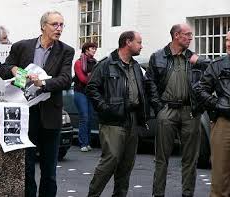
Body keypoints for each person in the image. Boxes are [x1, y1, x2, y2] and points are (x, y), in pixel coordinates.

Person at [0, 10, 74, 197]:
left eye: (61, 25)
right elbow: (3, 70)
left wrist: (43, 83)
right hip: (25, 115)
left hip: (51, 115)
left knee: (49, 171)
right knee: (27, 167)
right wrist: (15, 69)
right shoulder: (22, 47)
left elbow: (65, 80)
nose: (59, 29)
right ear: (43, 26)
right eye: (54, 24)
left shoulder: (66, 51)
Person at [145, 23, 210, 197]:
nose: (191, 38)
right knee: (161, 159)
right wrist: (158, 108)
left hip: (190, 111)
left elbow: (212, 69)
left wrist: (200, 61)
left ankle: (187, 194)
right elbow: (149, 83)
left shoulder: (194, 58)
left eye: (191, 35)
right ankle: (158, 194)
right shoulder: (157, 57)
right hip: (167, 110)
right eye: (187, 34)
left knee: (190, 159)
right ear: (176, 35)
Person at [86, 31, 146, 197]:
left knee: (126, 165)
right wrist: (106, 108)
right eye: (139, 42)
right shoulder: (106, 64)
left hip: (132, 119)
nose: (141, 46)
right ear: (128, 42)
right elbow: (91, 88)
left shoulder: (136, 66)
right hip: (113, 121)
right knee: (110, 162)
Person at [195, 31, 230, 197]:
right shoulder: (217, 65)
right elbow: (200, 89)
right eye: (227, 40)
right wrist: (217, 105)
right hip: (224, 124)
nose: (228, 44)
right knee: (220, 176)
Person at [73, 42, 97, 152]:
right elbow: (83, 79)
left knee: (90, 118)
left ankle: (87, 142)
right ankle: (83, 143)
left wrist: (91, 77)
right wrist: (92, 78)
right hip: (80, 92)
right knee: (84, 117)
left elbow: (97, 78)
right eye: (92, 48)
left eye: (95, 48)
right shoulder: (78, 63)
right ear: (86, 50)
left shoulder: (95, 63)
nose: (94, 50)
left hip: (90, 93)